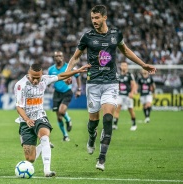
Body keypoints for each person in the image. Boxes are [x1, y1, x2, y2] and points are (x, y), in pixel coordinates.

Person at [66, 5, 156, 171]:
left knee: (108, 118)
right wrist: (68, 73)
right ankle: (92, 137)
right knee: (93, 121)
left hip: (111, 83)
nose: (94, 21)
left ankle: (102, 158)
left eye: (97, 18)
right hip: (93, 83)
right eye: (92, 18)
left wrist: (143, 64)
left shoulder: (116, 34)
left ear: (104, 17)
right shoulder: (87, 36)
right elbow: (75, 57)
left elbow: (126, 51)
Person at [14, 62, 90, 177]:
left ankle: (47, 170)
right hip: (25, 121)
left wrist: (77, 71)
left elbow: (62, 76)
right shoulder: (21, 85)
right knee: (30, 159)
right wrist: (27, 119)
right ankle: (44, 146)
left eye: (38, 78)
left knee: (44, 136)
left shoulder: (45, 80)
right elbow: (19, 106)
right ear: (29, 73)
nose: (35, 80)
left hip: (40, 116)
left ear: (41, 74)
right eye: (33, 78)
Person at [48, 51, 82, 142]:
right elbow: (48, 80)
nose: (58, 57)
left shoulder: (69, 67)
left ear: (63, 57)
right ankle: (65, 135)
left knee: (62, 111)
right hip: (56, 93)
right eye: (56, 56)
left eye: (60, 55)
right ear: (54, 58)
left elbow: (78, 75)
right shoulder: (51, 69)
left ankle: (68, 119)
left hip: (67, 91)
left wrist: (79, 89)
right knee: (58, 117)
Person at [113, 61, 137, 131]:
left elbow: (134, 85)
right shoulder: (118, 75)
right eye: (122, 65)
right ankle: (115, 125)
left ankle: (134, 124)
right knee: (117, 109)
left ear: (127, 67)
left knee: (130, 110)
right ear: (120, 67)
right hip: (120, 95)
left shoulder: (130, 75)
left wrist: (132, 93)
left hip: (127, 95)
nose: (123, 66)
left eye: (125, 65)